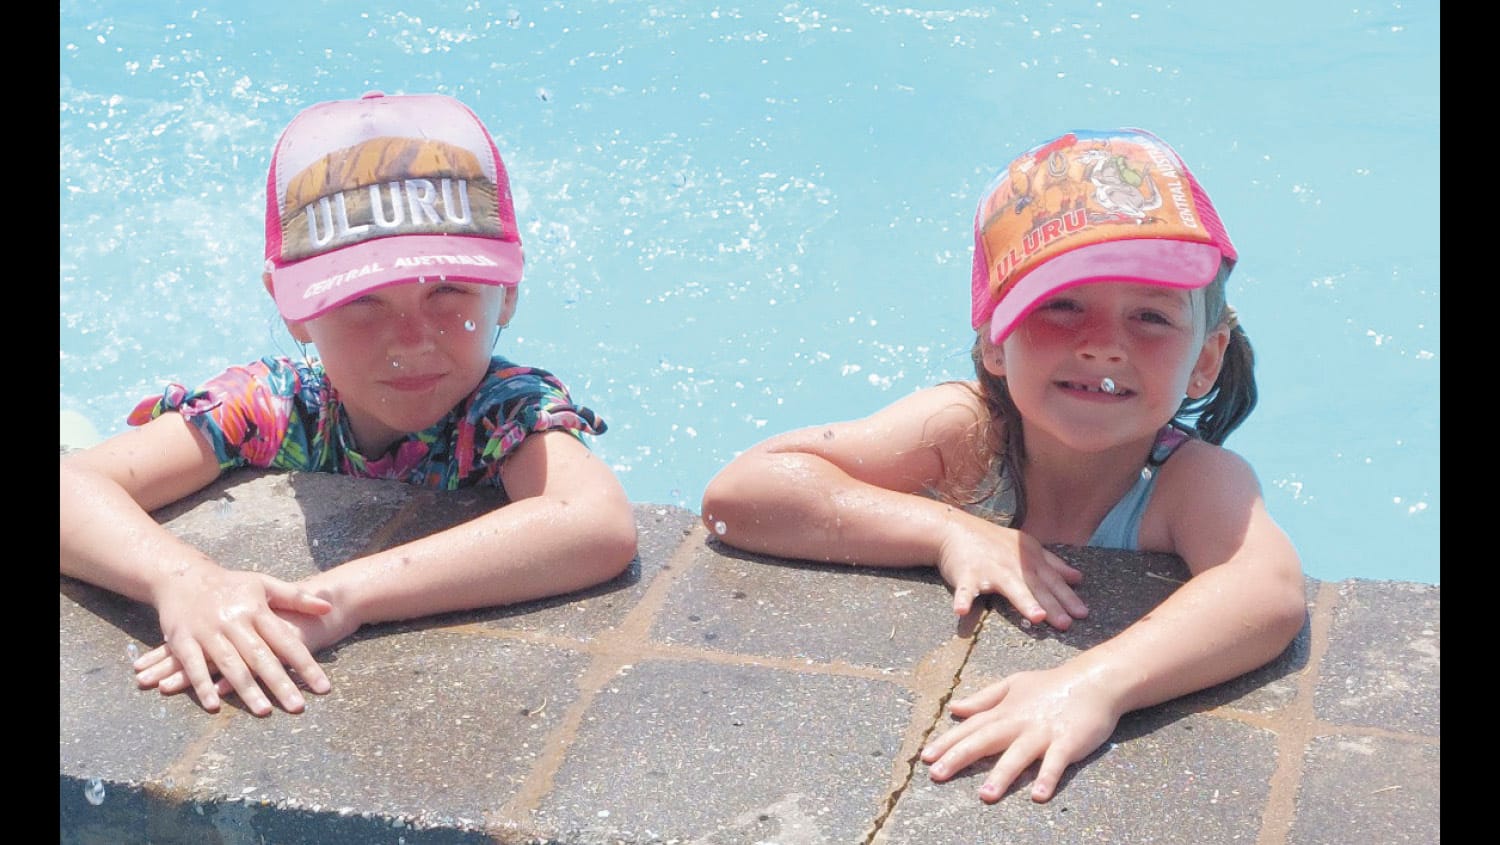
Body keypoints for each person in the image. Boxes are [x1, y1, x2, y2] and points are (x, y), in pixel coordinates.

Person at [699, 128, 1306, 804]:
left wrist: (1094, 684)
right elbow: (740, 493)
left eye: (1151, 318)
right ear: (994, 337)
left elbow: (1267, 591)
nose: (1103, 345)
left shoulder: (1185, 480)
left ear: (1205, 358)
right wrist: (946, 530)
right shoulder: (965, 433)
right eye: (1062, 306)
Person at [59, 91, 638, 718]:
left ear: (508, 294)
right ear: (291, 306)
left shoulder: (503, 412)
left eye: (449, 290)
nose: (413, 340)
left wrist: (337, 599)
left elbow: (595, 523)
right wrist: (184, 581)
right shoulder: (274, 404)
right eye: (362, 300)